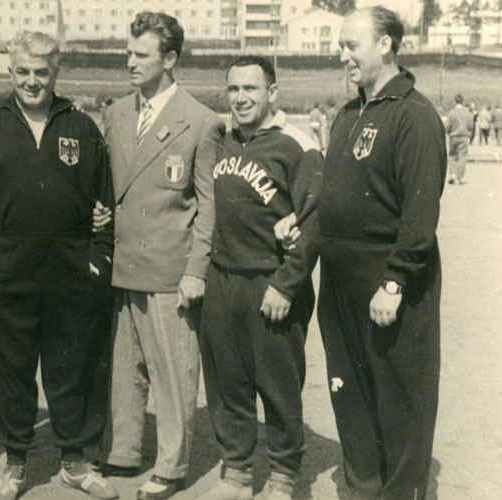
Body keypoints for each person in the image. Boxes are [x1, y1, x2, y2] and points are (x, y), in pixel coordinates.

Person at [0, 30, 118, 500]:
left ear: (55, 73)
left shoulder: (81, 126)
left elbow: (104, 200)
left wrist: (98, 258)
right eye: (22, 72)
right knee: (10, 370)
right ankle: (15, 464)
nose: (31, 81)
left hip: (71, 268)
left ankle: (75, 463)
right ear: (10, 72)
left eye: (41, 72)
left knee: (74, 367)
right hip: (5, 270)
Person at [315, 7, 445, 499]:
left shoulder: (414, 115)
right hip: (340, 282)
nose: (341, 55)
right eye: (340, 46)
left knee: (399, 399)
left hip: (389, 282)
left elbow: (419, 214)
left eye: (351, 45)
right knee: (350, 394)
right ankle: (362, 489)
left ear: (386, 44)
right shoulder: (348, 114)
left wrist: (394, 281)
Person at [95, 12, 225, 500]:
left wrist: (197, 271)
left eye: (141, 55)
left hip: (170, 269)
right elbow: (110, 186)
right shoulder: (116, 113)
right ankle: (124, 450)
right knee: (124, 369)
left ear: (169, 59)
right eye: (128, 53)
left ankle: (171, 465)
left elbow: (209, 208)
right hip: (123, 263)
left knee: (173, 374)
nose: (130, 62)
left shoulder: (202, 121)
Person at [195, 55, 323, 500]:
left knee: (279, 386)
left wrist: (286, 285)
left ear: (272, 92)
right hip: (222, 279)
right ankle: (237, 475)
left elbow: (314, 222)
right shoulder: (223, 140)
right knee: (228, 384)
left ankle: (283, 477)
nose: (241, 98)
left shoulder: (297, 145)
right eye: (233, 89)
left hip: (272, 283)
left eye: (250, 88)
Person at [446, 93, 473, 185]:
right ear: (463, 101)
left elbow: (448, 126)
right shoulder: (467, 112)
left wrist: (448, 132)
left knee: (452, 155)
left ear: (454, 101)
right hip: (464, 137)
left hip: (453, 137)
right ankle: (459, 176)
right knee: (462, 157)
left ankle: (453, 174)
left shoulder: (451, 112)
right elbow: (471, 126)